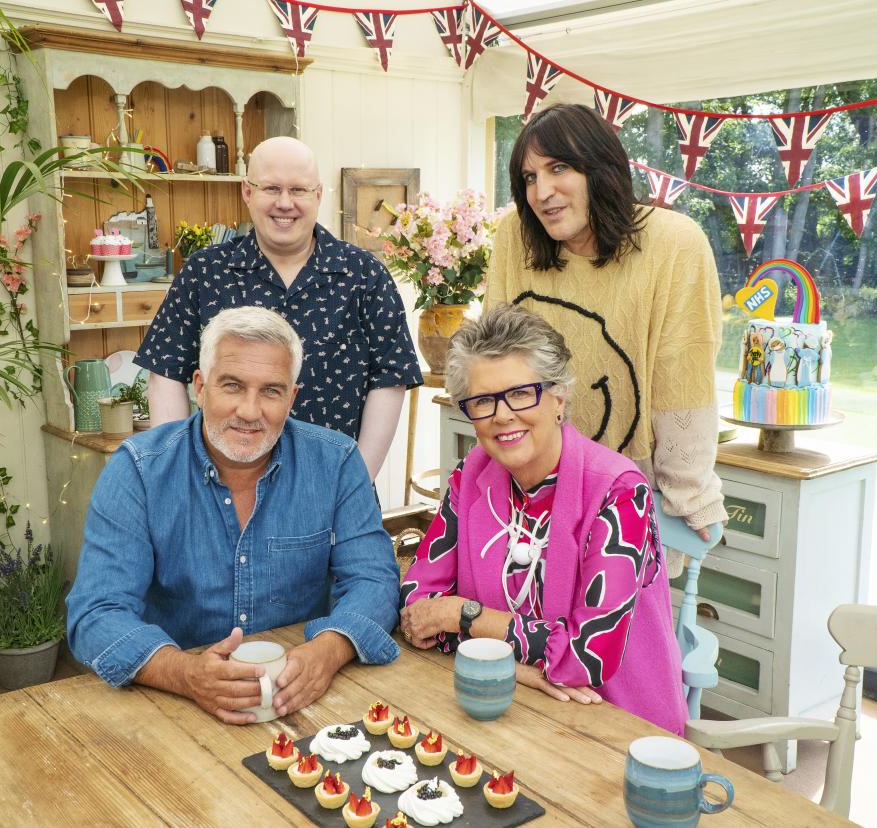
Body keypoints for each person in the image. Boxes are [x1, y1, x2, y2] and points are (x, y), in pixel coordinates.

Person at [67, 307, 401, 724]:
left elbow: (375, 578)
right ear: (200, 387)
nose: (249, 410)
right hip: (173, 702)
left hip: (302, 697)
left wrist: (330, 650)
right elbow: (97, 611)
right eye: (232, 386)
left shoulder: (336, 462)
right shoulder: (138, 469)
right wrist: (185, 674)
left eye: (271, 391)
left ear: (292, 398)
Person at [398, 305, 686, 735]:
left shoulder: (621, 493)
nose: (501, 415)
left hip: (613, 723)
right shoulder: (469, 475)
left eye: (520, 393)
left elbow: (588, 656)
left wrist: (463, 614)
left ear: (558, 396)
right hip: (502, 703)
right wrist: (520, 669)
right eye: (482, 401)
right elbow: (417, 610)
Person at [485, 103, 727, 537]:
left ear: (601, 167)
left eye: (558, 167)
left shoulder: (675, 244)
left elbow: (682, 376)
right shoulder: (513, 237)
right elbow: (494, 365)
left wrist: (690, 494)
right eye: (530, 177)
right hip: (525, 492)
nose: (541, 192)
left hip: (627, 498)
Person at [136, 136, 422, 480]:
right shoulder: (203, 273)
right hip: (223, 490)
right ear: (247, 192)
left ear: (318, 195)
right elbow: (165, 373)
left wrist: (357, 481)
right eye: (271, 188)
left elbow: (390, 381)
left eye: (298, 190)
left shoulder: (365, 276)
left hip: (331, 486)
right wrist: (181, 475)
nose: (284, 203)